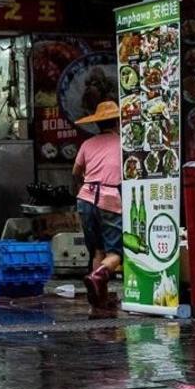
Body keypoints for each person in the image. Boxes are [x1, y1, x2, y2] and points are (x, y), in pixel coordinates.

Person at [72, 100, 124, 310]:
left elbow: (75, 173)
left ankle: (98, 299)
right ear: (118, 123)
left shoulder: (87, 144)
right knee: (117, 252)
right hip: (110, 198)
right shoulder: (122, 143)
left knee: (97, 251)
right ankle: (96, 276)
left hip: (85, 198)